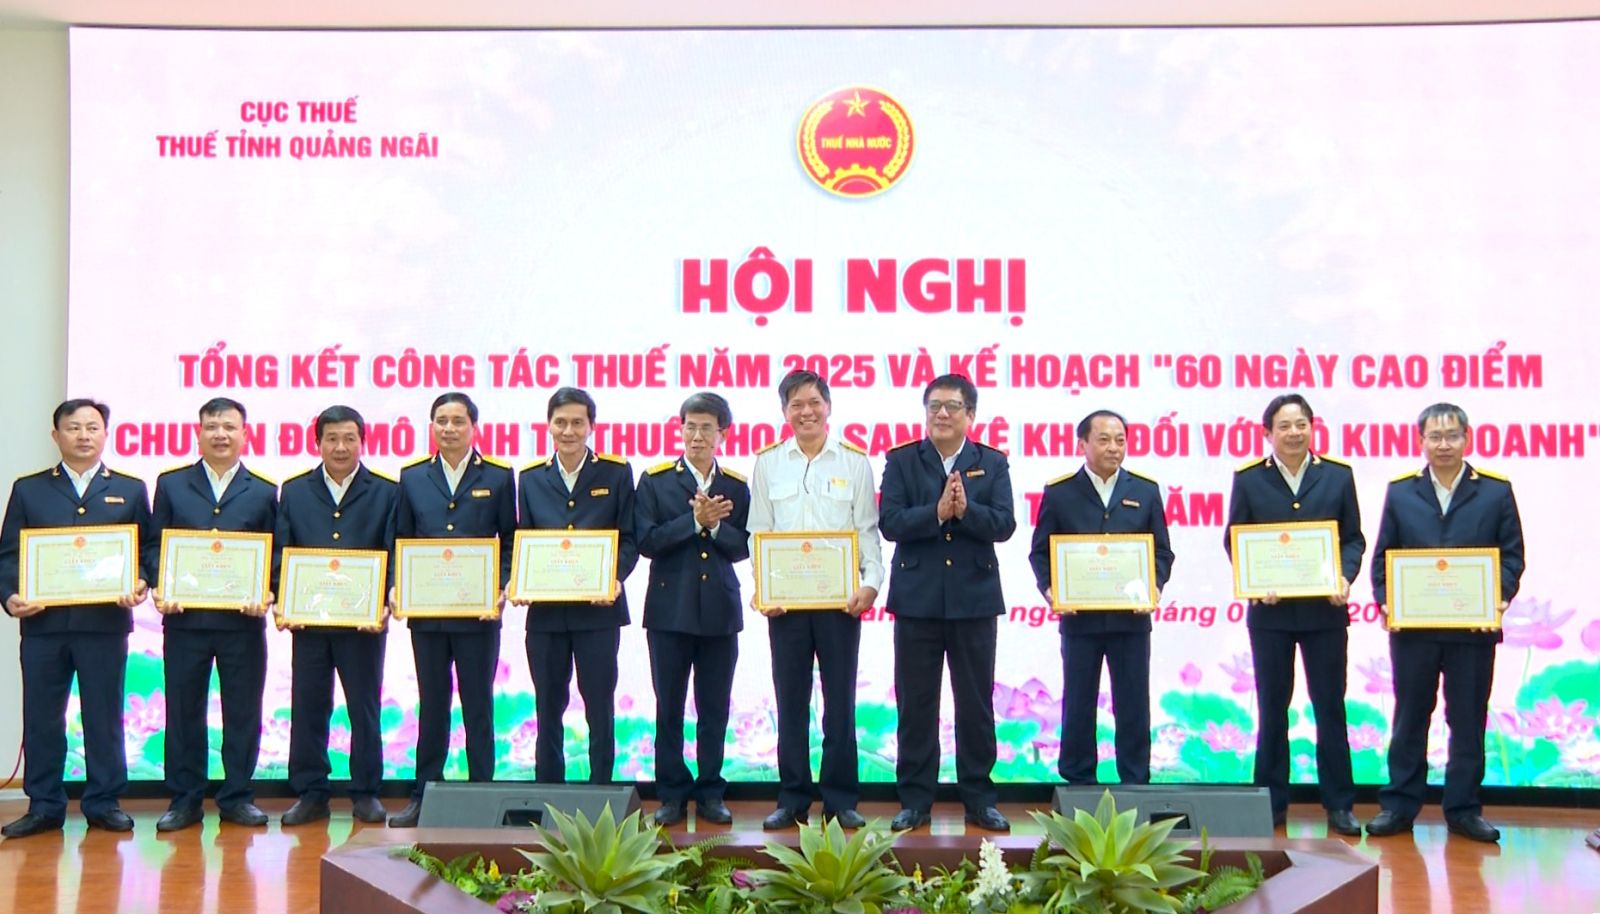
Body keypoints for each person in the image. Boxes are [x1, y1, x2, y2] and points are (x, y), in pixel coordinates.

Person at [1366, 403, 1524, 844]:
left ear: (1466, 438)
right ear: (1421, 441)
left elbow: (1512, 555)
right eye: (1434, 436)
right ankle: (1399, 806)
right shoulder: (1402, 492)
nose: (1444, 444)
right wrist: (1388, 603)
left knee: (1468, 720)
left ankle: (1464, 810)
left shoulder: (1495, 491)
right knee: (1410, 718)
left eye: (1452, 435)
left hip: (1472, 632)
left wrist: (1497, 597)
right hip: (1414, 632)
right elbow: (1383, 558)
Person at [0, 399, 156, 838]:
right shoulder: (29, 489)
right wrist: (10, 595)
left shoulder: (129, 489)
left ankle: (104, 802)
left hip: (104, 625)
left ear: (105, 434)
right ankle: (44, 805)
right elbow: (9, 554)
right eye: (73, 427)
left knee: (103, 717)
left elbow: (146, 550)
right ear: (56, 436)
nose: (83, 435)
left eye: (92, 427)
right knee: (42, 717)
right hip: (43, 626)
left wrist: (141, 580)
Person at [747, 370, 884, 830]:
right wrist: (764, 588)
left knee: (840, 703)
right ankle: (792, 798)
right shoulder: (768, 463)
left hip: (840, 604)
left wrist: (871, 583)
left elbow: (867, 530)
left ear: (828, 407)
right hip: (786, 605)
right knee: (790, 702)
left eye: (813, 403)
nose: (806, 412)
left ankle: (840, 799)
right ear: (784, 412)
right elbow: (758, 532)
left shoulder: (854, 462)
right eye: (796, 405)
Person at [879, 374, 1016, 832]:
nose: (942, 413)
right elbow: (890, 522)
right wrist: (936, 513)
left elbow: (1005, 524)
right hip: (917, 602)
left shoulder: (991, 463)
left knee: (975, 703)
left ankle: (979, 798)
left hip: (974, 601)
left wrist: (966, 512)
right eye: (934, 405)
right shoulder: (902, 460)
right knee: (916, 704)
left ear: (970, 415)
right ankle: (915, 801)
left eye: (953, 406)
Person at [1224, 393, 1363, 836]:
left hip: (1325, 614)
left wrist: (1345, 576)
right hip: (1271, 616)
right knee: (1272, 710)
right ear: (1268, 433)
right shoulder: (1249, 479)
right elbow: (1235, 538)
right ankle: (1270, 804)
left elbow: (1353, 539)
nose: (1294, 433)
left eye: (1301, 424)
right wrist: (1254, 579)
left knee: (1330, 708)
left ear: (1312, 427)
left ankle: (1339, 804)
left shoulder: (1338, 476)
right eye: (1284, 426)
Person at [387, 392, 516, 828]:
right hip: (428, 615)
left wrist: (501, 585)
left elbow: (510, 540)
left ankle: (483, 794)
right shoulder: (412, 477)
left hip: (478, 614)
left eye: (458, 421)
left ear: (473, 427)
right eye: (441, 420)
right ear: (432, 426)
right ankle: (424, 794)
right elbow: (401, 539)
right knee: (432, 703)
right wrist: (397, 586)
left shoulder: (498, 476)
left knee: (478, 705)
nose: (449, 428)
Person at [151, 397, 279, 831]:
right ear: (199, 432)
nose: (220, 434)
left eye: (229, 427)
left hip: (242, 622)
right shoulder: (171, 484)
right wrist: (161, 584)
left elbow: (274, 552)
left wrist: (267, 590)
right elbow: (155, 545)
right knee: (184, 710)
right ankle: (184, 799)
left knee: (242, 711)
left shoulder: (263, 490)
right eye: (212, 426)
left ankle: (237, 797)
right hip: (184, 620)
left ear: (245, 434)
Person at [1027, 409, 1174, 787]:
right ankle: (1078, 782)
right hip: (1081, 619)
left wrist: (1155, 586)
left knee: (1133, 704)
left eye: (1120, 440)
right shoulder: (1060, 492)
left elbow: (1161, 552)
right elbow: (1040, 552)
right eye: (1104, 439)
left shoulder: (1145, 490)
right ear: (1083, 444)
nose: (1114, 448)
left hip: (1131, 620)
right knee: (1078, 702)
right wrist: (1051, 590)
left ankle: (1136, 781)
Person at [273, 405, 397, 827]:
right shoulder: (295, 490)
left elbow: (392, 552)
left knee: (364, 706)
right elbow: (282, 551)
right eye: (331, 438)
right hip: (309, 621)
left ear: (363, 442)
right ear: (318, 443)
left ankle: (366, 791)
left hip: (363, 623)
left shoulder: (386, 491)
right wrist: (284, 599)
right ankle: (311, 792)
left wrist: (385, 600)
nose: (340, 447)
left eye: (349, 438)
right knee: (308, 704)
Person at [635, 392, 749, 827]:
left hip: (720, 611)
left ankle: (711, 792)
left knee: (714, 708)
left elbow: (743, 547)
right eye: (690, 427)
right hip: (670, 611)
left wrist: (716, 526)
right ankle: (671, 794)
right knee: (670, 707)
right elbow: (647, 540)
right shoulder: (657, 481)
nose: (697, 436)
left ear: (722, 434)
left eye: (706, 428)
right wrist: (694, 522)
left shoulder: (735, 485)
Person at [515, 388, 638, 784]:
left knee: (599, 706)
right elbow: (523, 539)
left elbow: (630, 538)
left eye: (577, 423)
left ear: (591, 427)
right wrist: (520, 579)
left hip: (599, 613)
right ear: (548, 426)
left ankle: (602, 789)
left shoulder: (616, 473)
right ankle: (548, 788)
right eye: (560, 422)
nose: (568, 431)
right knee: (547, 706)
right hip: (546, 615)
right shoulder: (530, 478)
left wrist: (614, 577)